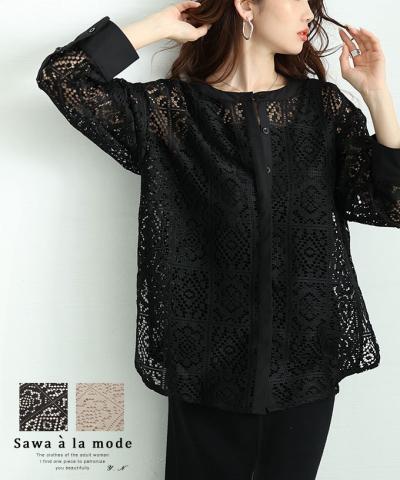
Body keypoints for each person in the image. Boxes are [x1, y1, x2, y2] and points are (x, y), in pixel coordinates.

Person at [36, 1, 400, 478]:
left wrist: (376, 94)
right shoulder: (171, 113)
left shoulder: (322, 109)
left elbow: (391, 205)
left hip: (305, 364)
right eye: (297, 0)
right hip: (206, 369)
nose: (309, 14)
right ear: (246, 5)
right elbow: (62, 77)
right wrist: (156, 27)